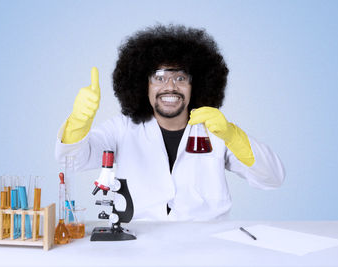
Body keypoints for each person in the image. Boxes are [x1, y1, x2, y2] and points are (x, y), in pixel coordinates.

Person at [55, 25, 285, 221]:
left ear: (196, 85)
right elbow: (71, 160)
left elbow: (273, 177)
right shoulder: (121, 129)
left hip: (207, 247)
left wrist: (232, 136)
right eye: (159, 77)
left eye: (181, 78)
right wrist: (79, 122)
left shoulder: (216, 131)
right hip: (139, 245)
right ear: (142, 85)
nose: (170, 86)